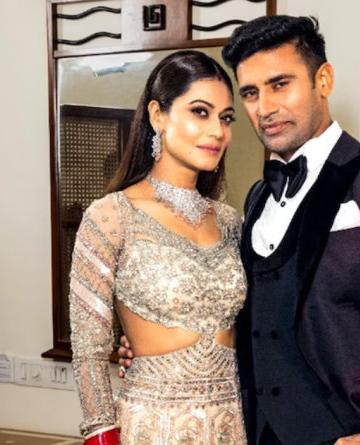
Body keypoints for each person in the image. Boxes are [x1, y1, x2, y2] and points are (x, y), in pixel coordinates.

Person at [120, 15, 360, 445]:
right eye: (251, 93)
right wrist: (155, 348)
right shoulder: (256, 198)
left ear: (323, 80)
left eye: (280, 84)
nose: (265, 108)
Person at [69, 50, 248, 445]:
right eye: (200, 112)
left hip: (235, 423)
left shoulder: (230, 222)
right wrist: (101, 434)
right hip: (153, 426)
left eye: (226, 118)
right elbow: (88, 349)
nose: (218, 131)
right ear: (157, 115)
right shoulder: (111, 217)